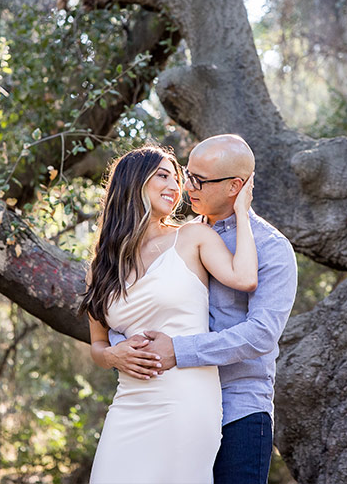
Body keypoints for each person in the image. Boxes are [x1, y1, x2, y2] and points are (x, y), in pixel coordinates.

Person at [111, 134, 298, 484]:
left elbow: (261, 335)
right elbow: (140, 304)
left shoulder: (271, 249)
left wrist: (177, 351)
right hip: (172, 403)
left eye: (199, 180)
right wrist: (120, 347)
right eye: (187, 174)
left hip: (238, 410)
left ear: (235, 187)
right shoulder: (179, 237)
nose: (186, 187)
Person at [81, 144, 257, 484]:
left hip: (185, 400)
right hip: (129, 402)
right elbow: (98, 346)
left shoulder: (192, 237)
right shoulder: (101, 266)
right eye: (164, 175)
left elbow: (246, 278)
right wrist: (114, 356)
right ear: (133, 182)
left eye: (178, 179)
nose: (176, 187)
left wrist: (242, 212)